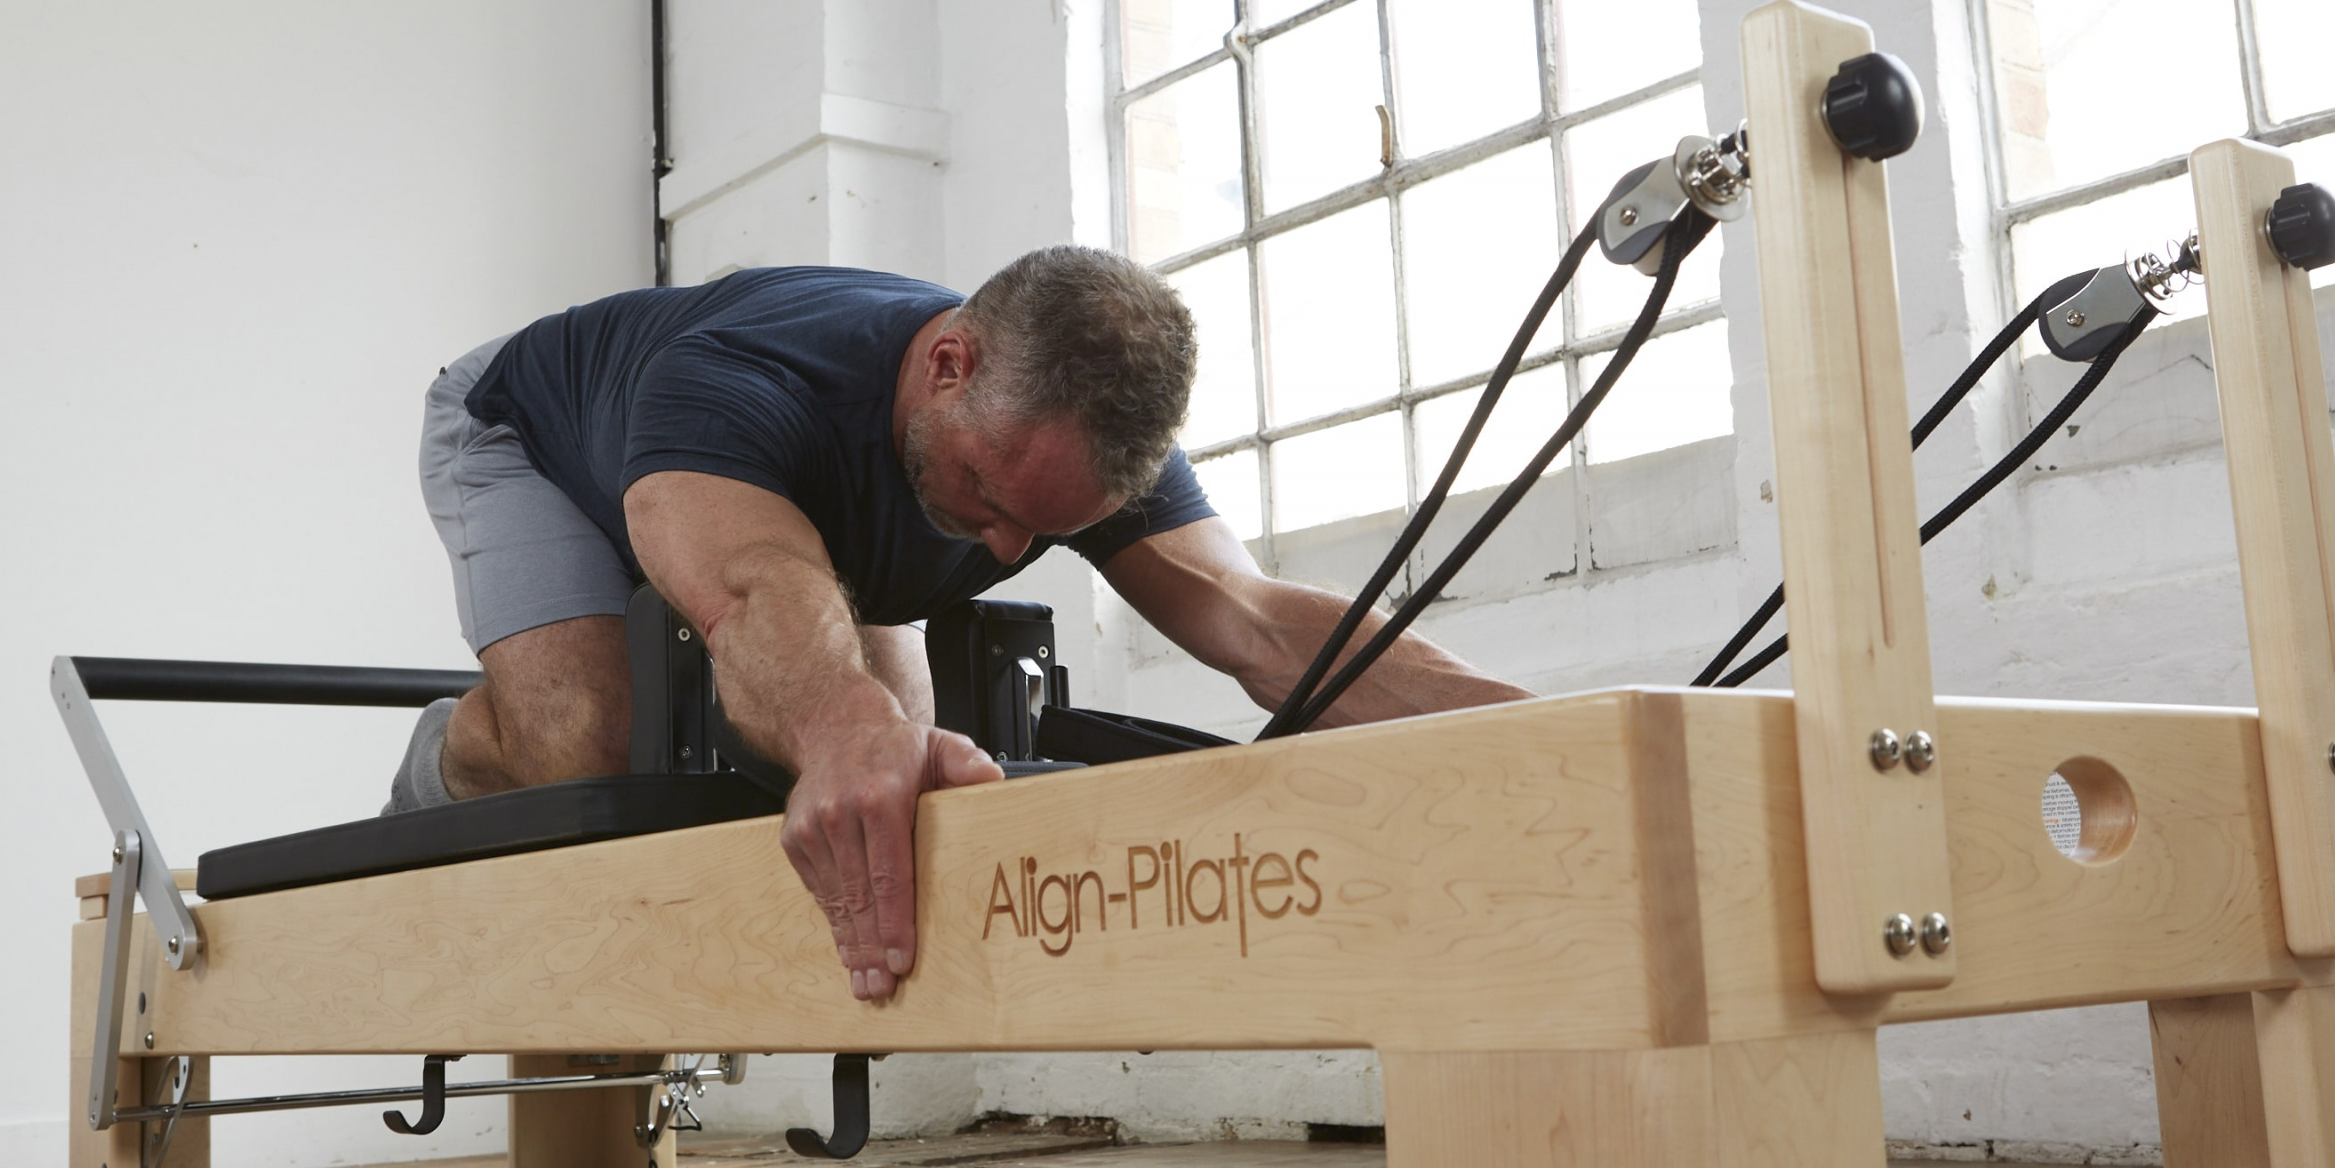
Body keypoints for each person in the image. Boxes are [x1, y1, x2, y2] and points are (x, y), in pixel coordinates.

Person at [397, 246, 1529, 1001]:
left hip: (811, 507)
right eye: (987, 495)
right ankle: (442, 758)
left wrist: (1542, 732)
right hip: (528, 429)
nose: (993, 552)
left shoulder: (1070, 429)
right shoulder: (741, 379)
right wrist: (844, 725)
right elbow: (749, 585)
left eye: (1035, 531)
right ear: (948, 366)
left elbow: (1267, 631)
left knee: (918, 792)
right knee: (589, 738)